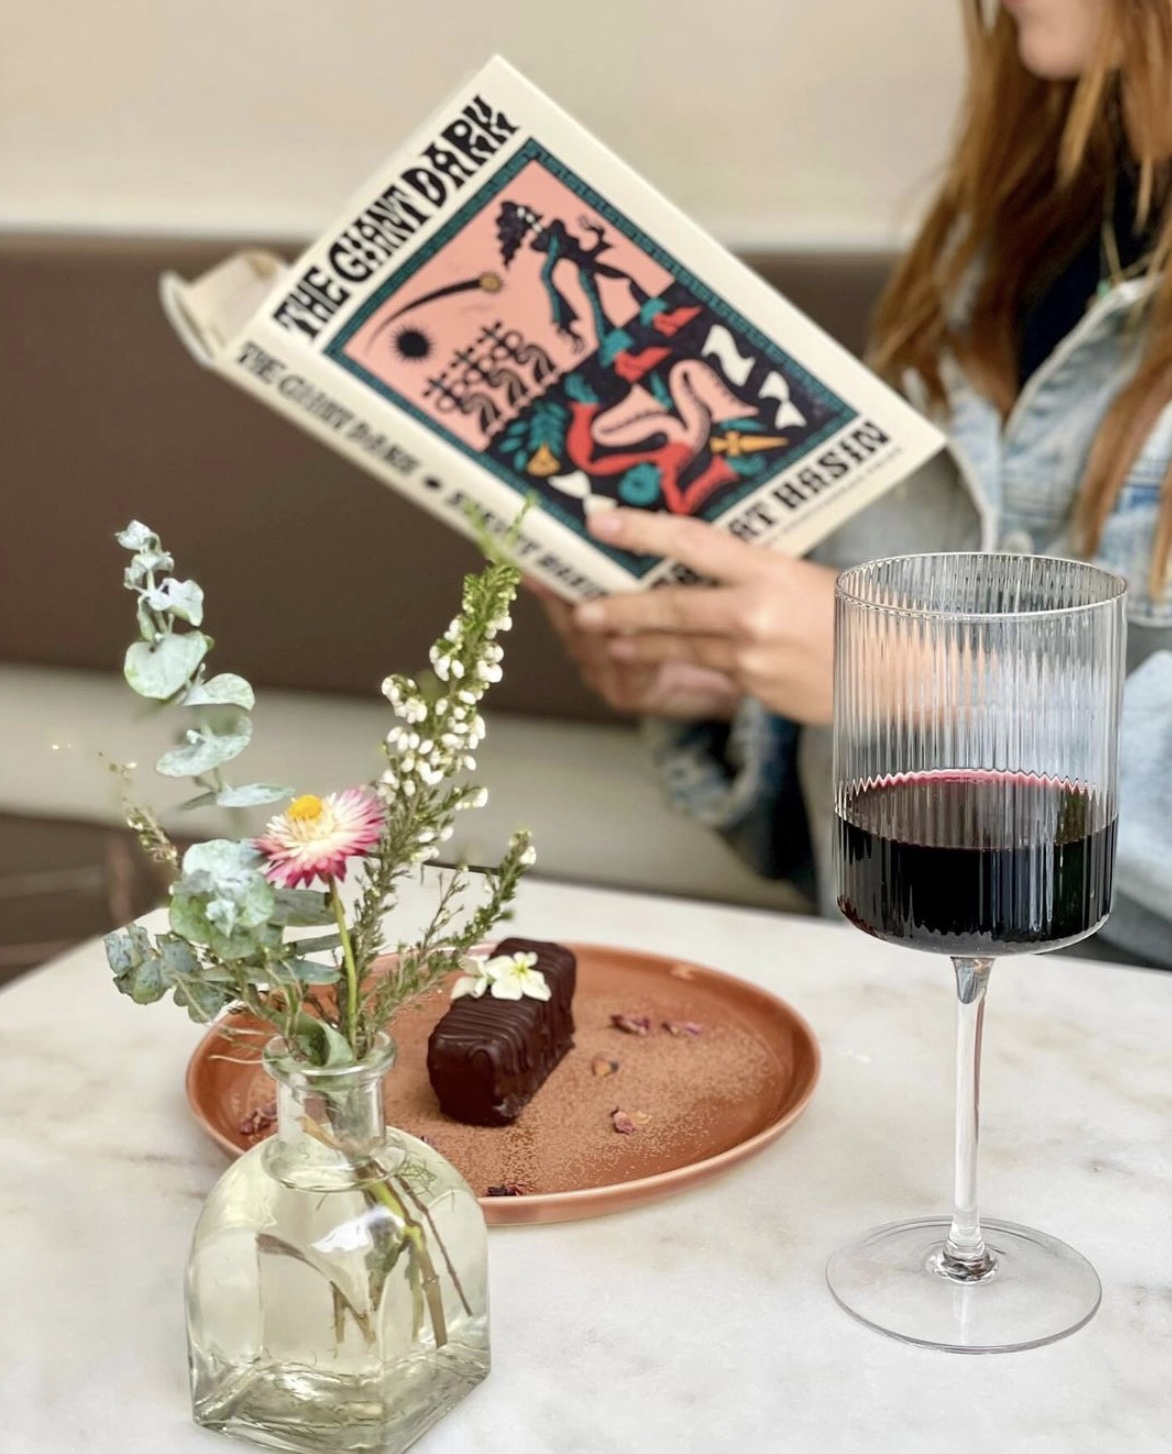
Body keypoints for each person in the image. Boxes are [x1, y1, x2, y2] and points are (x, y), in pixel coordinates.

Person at [538, 0, 1172, 969]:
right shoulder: (979, 253)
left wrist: (917, 684)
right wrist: (734, 682)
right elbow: (849, 843)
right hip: (893, 1010)